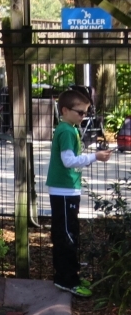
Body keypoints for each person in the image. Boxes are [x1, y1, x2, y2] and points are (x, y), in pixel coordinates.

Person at [47, 89, 111, 297]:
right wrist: (95, 157)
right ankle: (67, 280)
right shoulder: (66, 131)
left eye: (86, 113)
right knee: (67, 235)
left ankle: (68, 276)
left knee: (68, 232)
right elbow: (68, 161)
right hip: (64, 191)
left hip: (67, 190)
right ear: (65, 110)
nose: (84, 116)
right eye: (80, 112)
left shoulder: (69, 128)